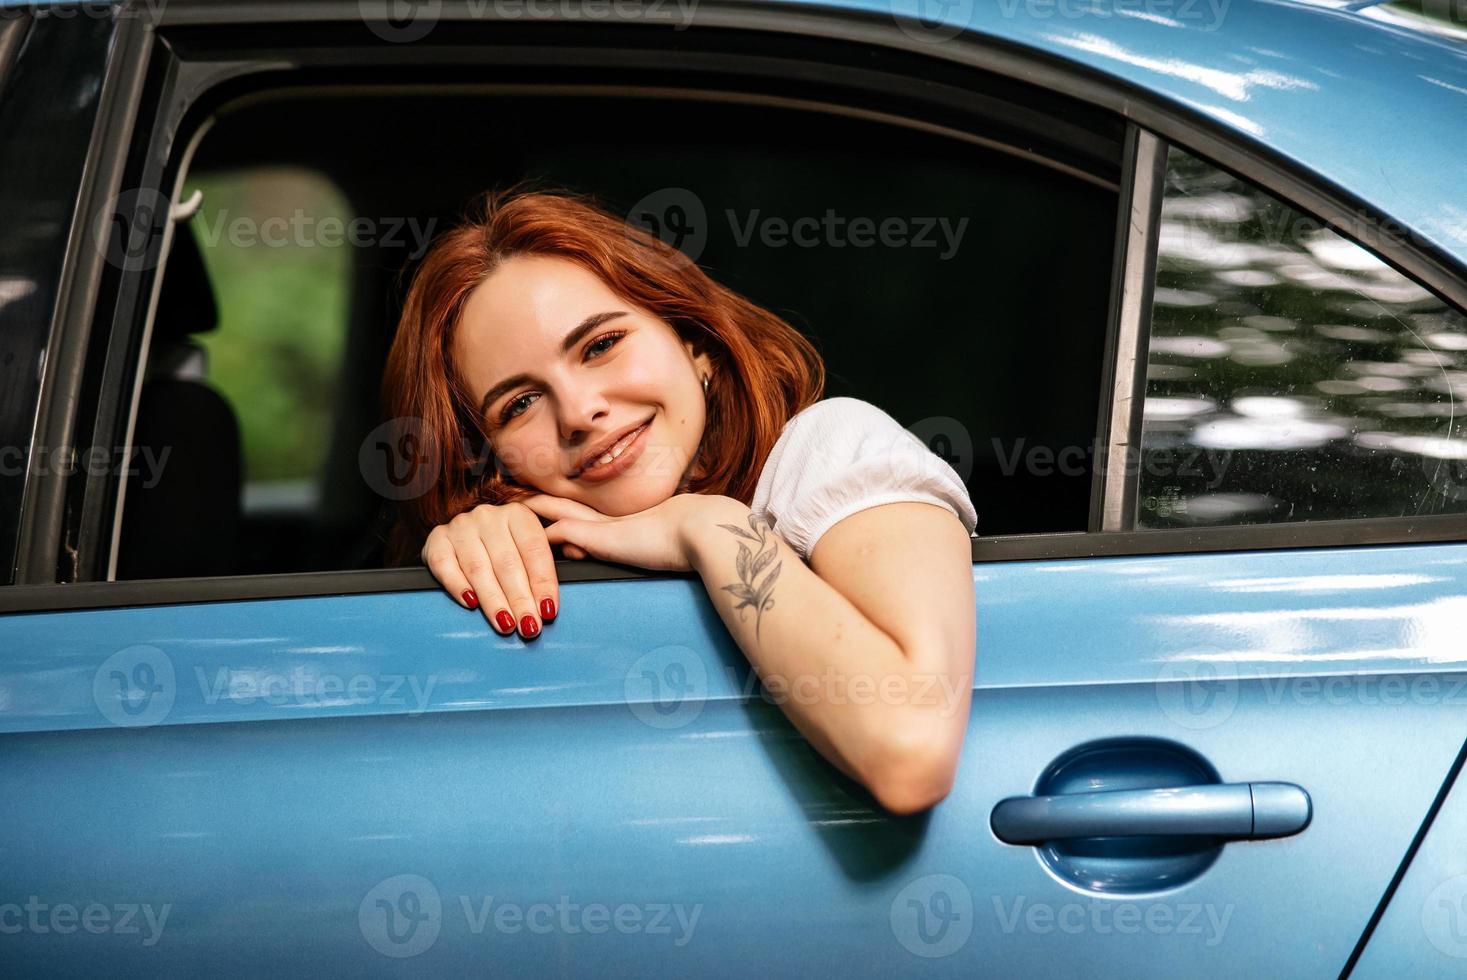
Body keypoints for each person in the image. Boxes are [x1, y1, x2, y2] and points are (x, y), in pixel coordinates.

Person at [378, 184, 979, 815]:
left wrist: (708, 527)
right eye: (520, 404)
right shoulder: (527, 534)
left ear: (695, 344)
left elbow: (910, 749)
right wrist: (482, 550)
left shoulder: (830, 447)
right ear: (488, 457)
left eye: (601, 345)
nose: (580, 412)